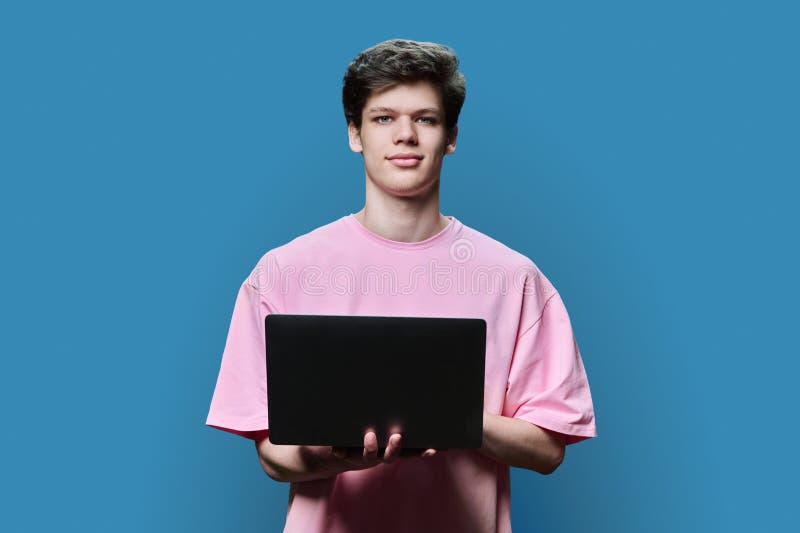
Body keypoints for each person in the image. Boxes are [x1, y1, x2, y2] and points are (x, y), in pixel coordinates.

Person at [206, 38, 597, 532]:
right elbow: (271, 455)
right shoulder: (282, 271)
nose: (405, 135)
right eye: (384, 118)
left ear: (450, 136)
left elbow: (548, 450)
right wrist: (343, 456)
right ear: (355, 133)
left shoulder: (516, 278)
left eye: (426, 119)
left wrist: (446, 415)